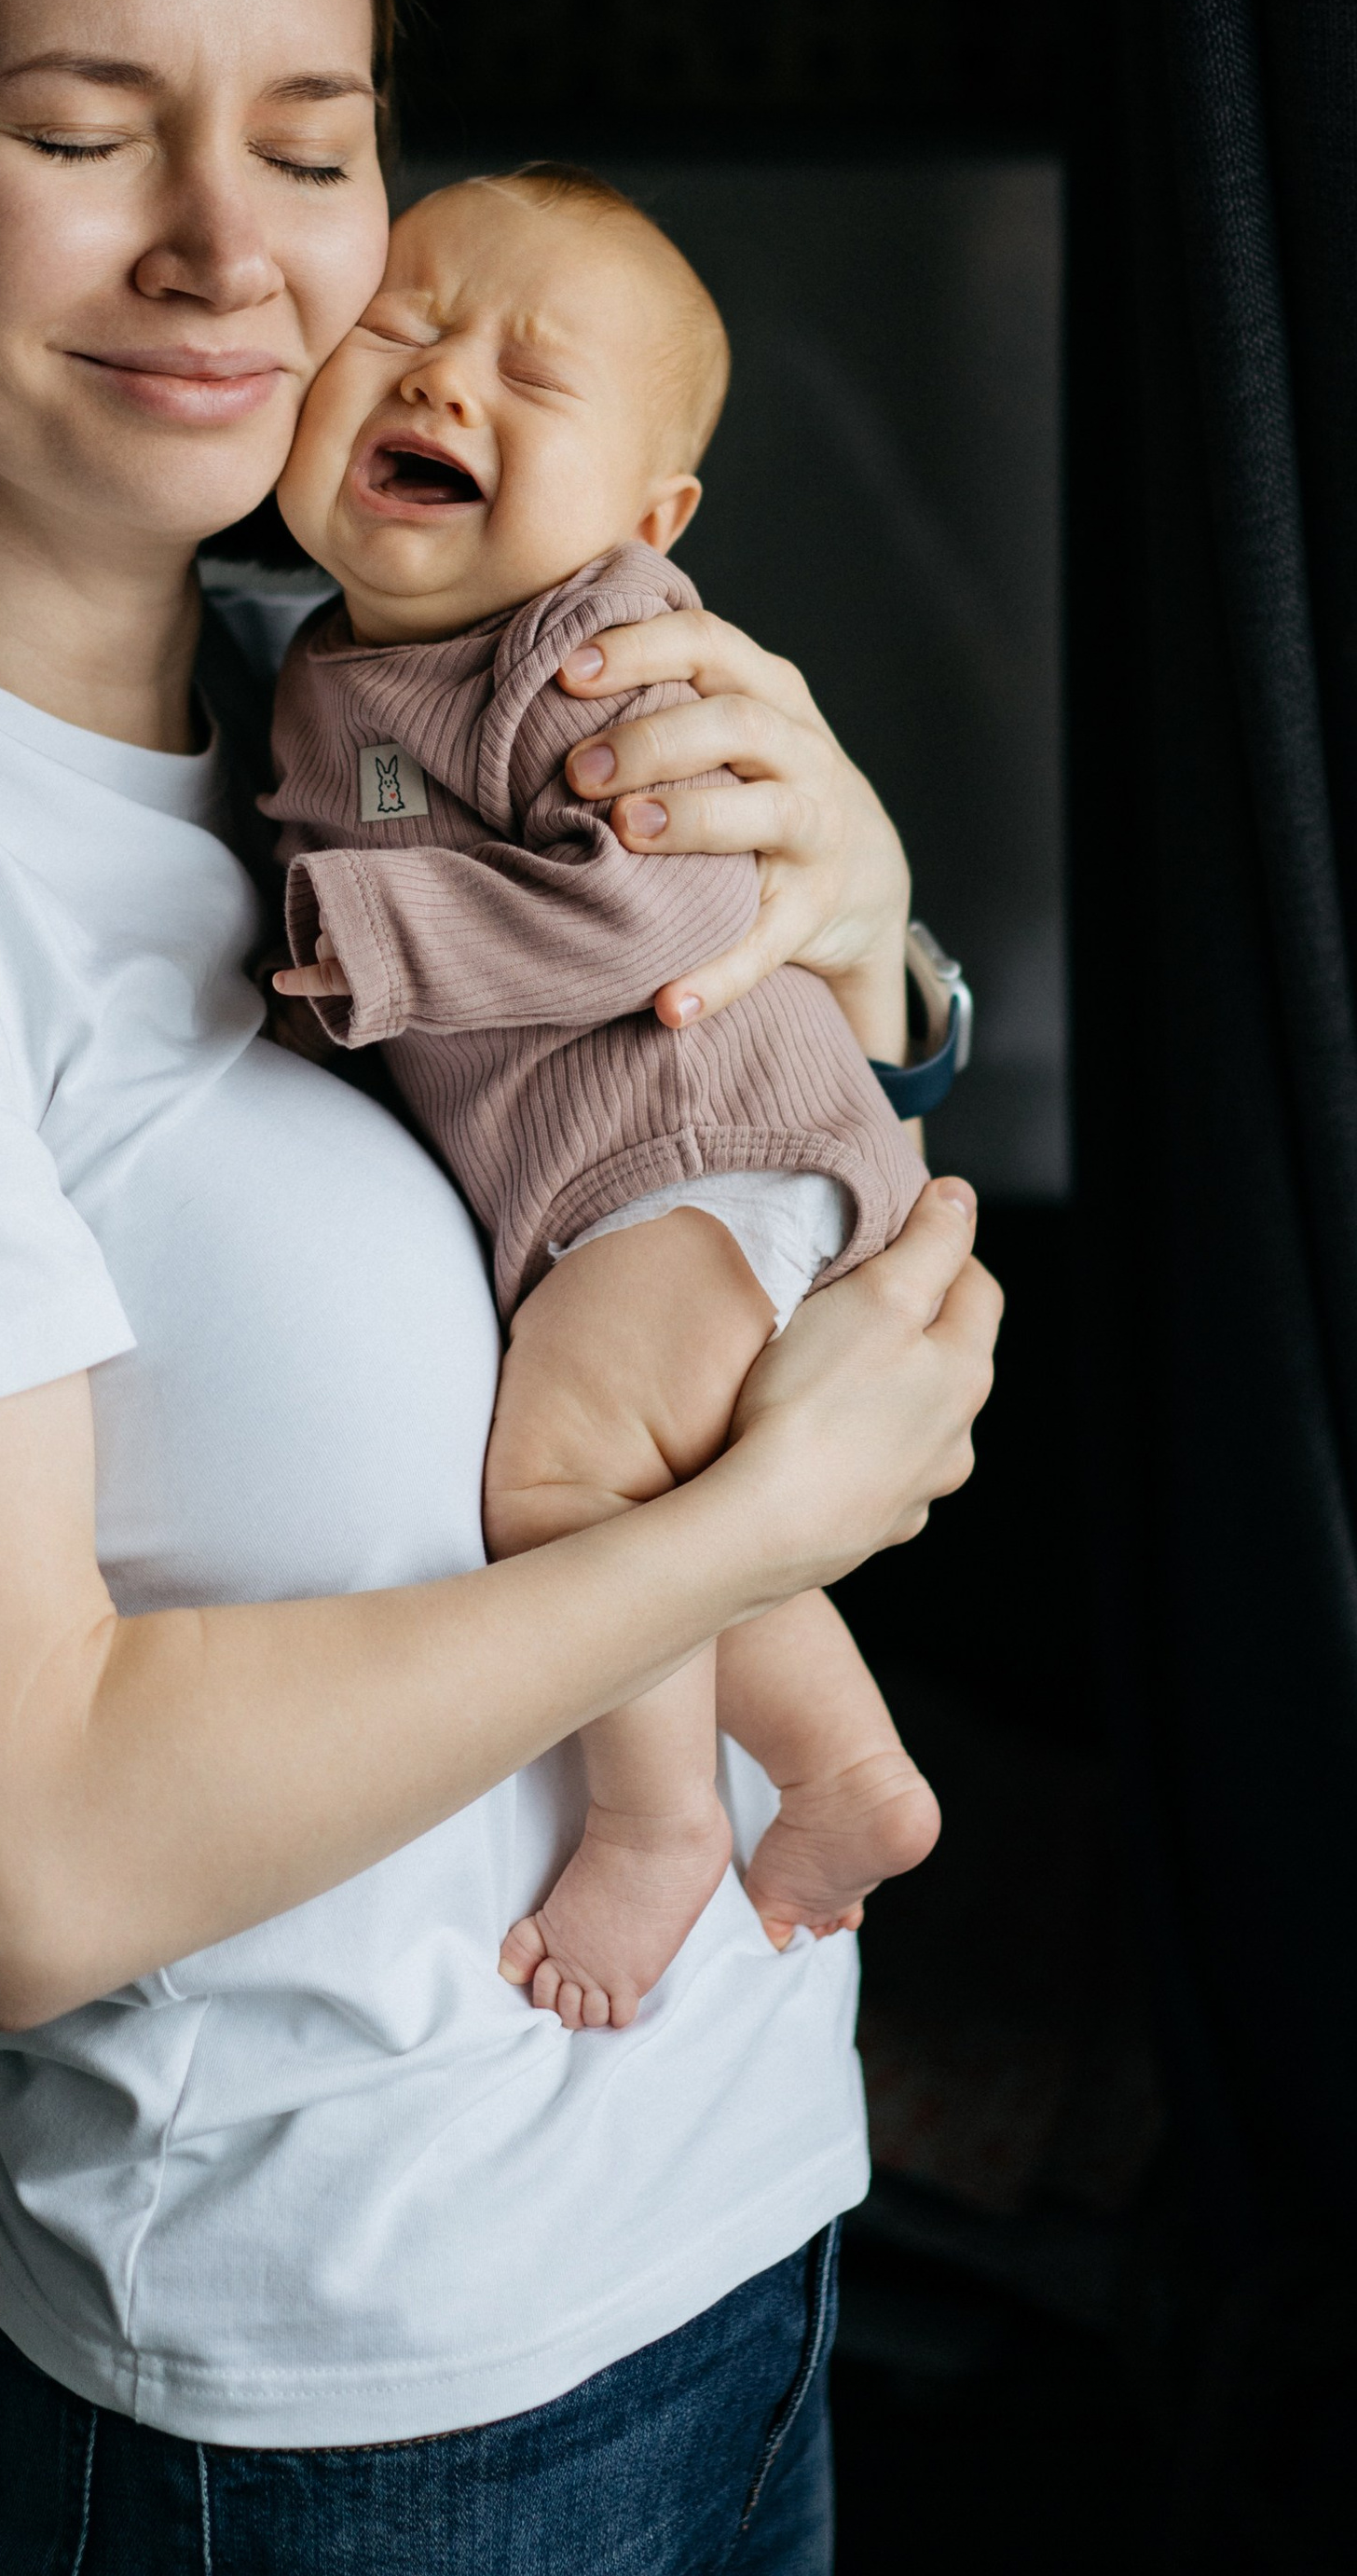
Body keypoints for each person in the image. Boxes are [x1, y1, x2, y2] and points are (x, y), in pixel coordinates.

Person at [0, 0, 998, 2573]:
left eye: (315, 143)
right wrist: (750, 1536)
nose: (234, 245)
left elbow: (620, 1133)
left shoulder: (347, 685)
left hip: (731, 2235)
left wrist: (872, 945)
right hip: (341, 2420)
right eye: (85, 133)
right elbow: (20, 1860)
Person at [267, 163, 940, 2037]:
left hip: (708, 1144)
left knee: (559, 1479)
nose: (440, 381)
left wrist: (366, 943)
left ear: (649, 515)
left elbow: (670, 898)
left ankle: (659, 1823)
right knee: (661, 1489)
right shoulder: (326, 659)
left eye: (532, 375)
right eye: (396, 329)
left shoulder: (589, 646)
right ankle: (843, 1767)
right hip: (626, 1179)